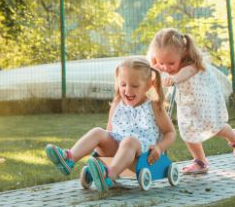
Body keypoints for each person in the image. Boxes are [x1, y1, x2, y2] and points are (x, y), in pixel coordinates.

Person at [44, 56, 176, 192]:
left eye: (135, 86)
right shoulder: (117, 104)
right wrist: (101, 147)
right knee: (98, 132)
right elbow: (109, 132)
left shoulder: (154, 106)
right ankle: (68, 158)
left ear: (148, 85)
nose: (128, 90)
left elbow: (170, 133)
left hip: (141, 154)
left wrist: (160, 148)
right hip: (118, 151)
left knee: (129, 141)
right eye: (123, 84)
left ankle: (109, 174)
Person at [148, 28, 235, 174]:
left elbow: (184, 74)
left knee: (214, 127)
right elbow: (153, 69)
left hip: (204, 99)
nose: (166, 67)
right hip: (187, 102)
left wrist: (173, 79)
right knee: (187, 130)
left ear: (183, 53)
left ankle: (234, 137)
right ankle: (201, 162)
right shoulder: (165, 62)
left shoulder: (192, 64)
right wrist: (148, 74)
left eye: (170, 63)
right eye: (161, 62)